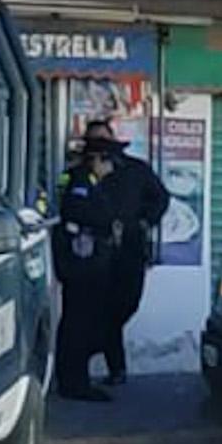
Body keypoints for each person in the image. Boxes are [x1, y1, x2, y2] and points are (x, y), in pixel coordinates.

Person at [53, 128, 125, 402]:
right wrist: (108, 223)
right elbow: (79, 212)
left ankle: (76, 379)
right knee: (78, 323)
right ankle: (75, 383)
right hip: (81, 264)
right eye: (109, 161)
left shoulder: (90, 181)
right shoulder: (80, 182)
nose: (113, 167)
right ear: (97, 159)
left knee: (85, 321)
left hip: (89, 264)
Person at [95, 123, 169, 388]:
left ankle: (98, 344)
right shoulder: (81, 173)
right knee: (100, 309)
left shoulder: (136, 170)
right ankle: (116, 368)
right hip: (96, 251)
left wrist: (145, 222)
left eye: (104, 142)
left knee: (126, 305)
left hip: (131, 248)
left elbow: (161, 197)